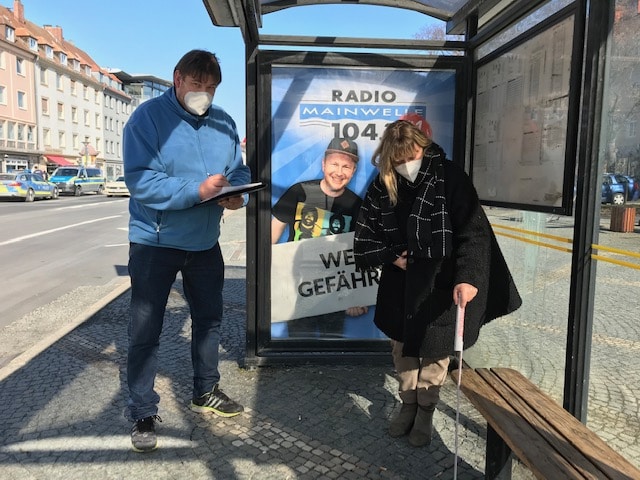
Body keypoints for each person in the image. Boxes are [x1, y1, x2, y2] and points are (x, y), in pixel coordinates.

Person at [353, 120, 521, 447]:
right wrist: (391, 255)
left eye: (411, 155)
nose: (406, 165)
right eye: (398, 160)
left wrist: (468, 278)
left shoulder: (450, 177)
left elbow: (473, 234)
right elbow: (365, 235)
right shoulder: (382, 183)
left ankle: (426, 410)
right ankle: (408, 405)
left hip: (439, 281)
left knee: (435, 350)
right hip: (400, 283)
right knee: (401, 347)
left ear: (423, 147)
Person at [123, 49, 251, 453]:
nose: (204, 94)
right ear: (177, 79)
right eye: (197, 85)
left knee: (209, 322)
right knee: (145, 331)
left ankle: (205, 391)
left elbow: (239, 171)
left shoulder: (224, 122)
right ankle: (142, 411)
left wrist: (236, 196)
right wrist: (197, 191)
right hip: (154, 244)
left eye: (211, 88)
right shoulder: (146, 119)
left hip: (204, 243)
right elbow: (142, 181)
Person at [271, 137, 368, 337]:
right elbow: (273, 234)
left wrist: (358, 296)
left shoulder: (356, 204)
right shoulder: (299, 192)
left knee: (331, 345)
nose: (339, 172)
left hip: (335, 291)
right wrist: (265, 277)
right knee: (298, 343)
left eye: (346, 167)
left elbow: (362, 249)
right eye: (334, 164)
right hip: (297, 286)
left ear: (353, 171)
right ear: (323, 164)